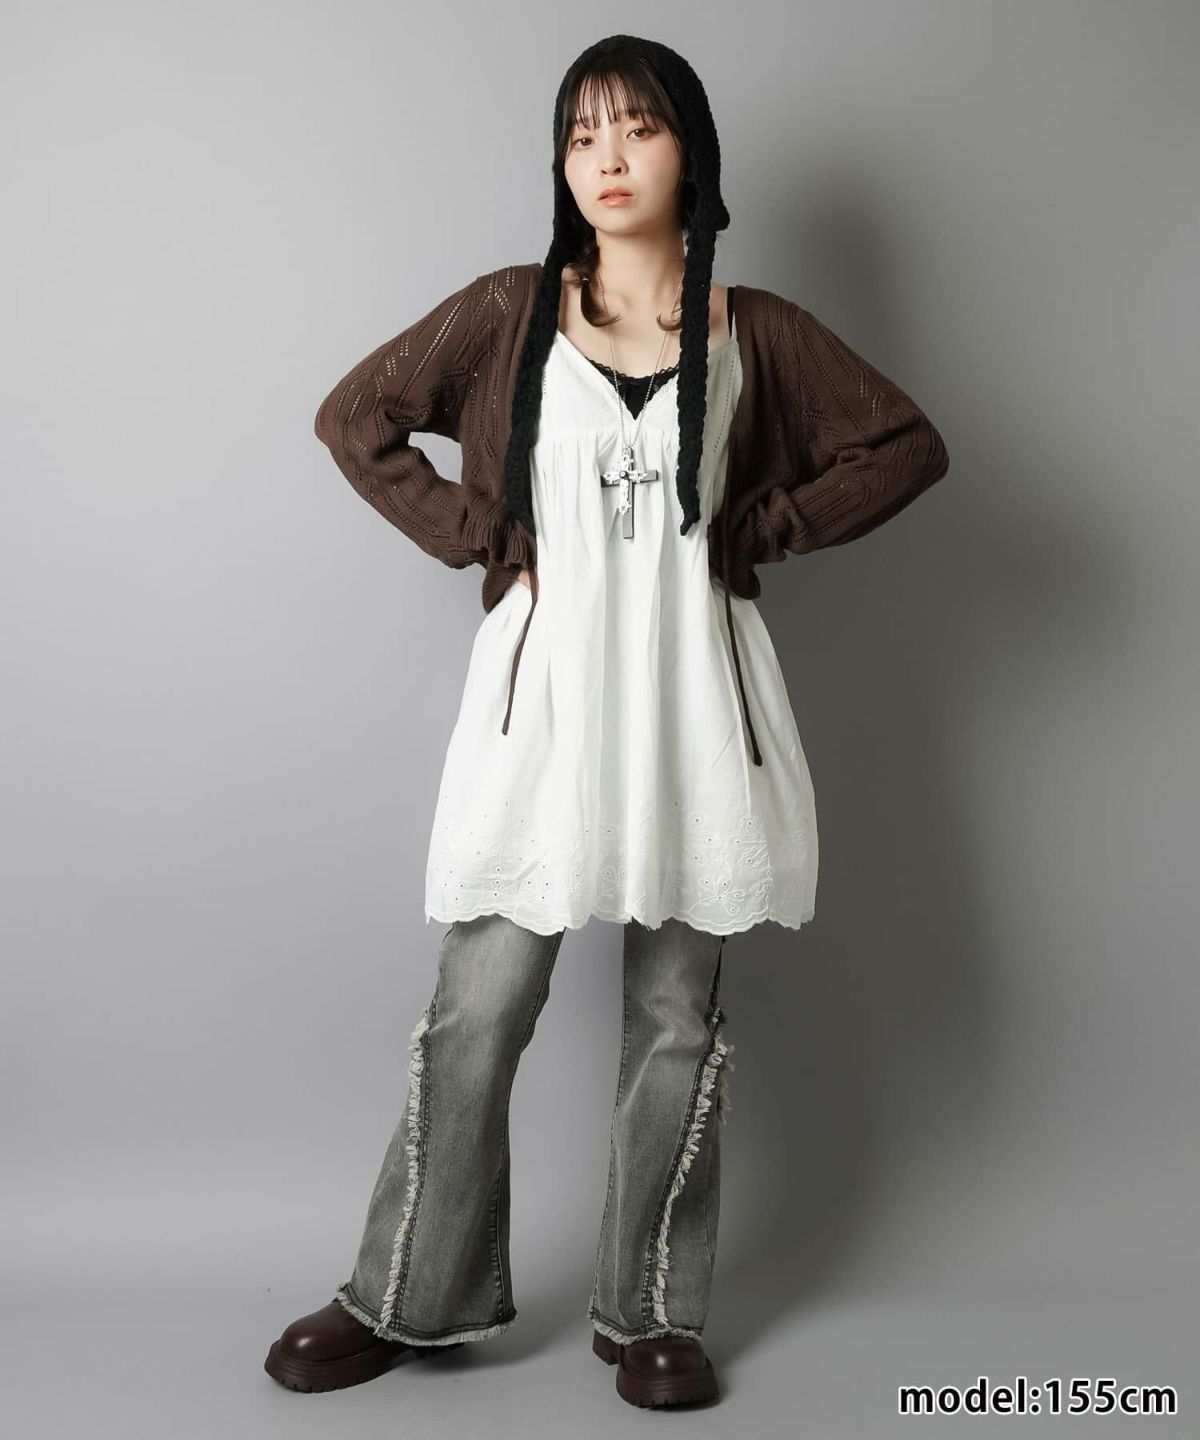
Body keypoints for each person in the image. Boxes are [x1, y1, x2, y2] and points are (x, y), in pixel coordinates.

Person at [264, 34, 949, 1410]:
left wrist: (770, 523)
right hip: (547, 706)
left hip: (694, 700)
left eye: (637, 127)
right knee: (479, 1009)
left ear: (691, 149)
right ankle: (406, 1293)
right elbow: (356, 417)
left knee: (676, 1018)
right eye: (582, 135)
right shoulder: (509, 312)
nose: (608, 158)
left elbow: (905, 444)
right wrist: (476, 529)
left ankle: (653, 1315)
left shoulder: (753, 329)